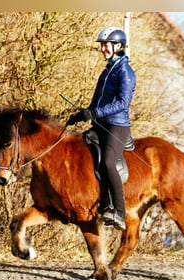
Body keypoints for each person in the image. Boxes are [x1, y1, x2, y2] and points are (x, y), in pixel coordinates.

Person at [67, 27, 136, 231]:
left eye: (106, 45)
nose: (103, 49)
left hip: (117, 125)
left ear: (118, 46)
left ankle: (119, 213)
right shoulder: (106, 71)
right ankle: (102, 203)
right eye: (102, 45)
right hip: (100, 124)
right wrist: (82, 115)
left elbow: (123, 103)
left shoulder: (125, 71)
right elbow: (95, 103)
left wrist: (96, 114)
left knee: (107, 162)